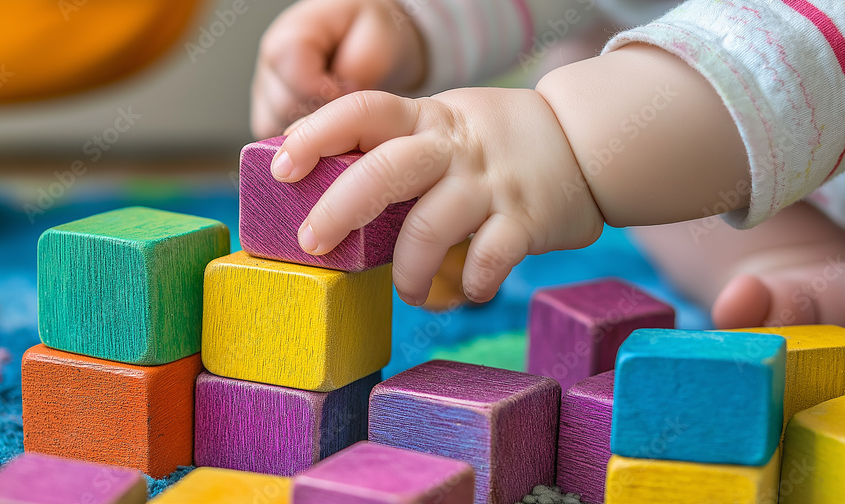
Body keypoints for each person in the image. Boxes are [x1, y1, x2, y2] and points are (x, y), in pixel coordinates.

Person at [250, 0, 845, 328]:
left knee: (615, 113)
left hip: (803, 82)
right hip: (759, 178)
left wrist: (559, 136)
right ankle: (792, 254)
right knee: (585, 51)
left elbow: (809, 51)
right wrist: (404, 24)